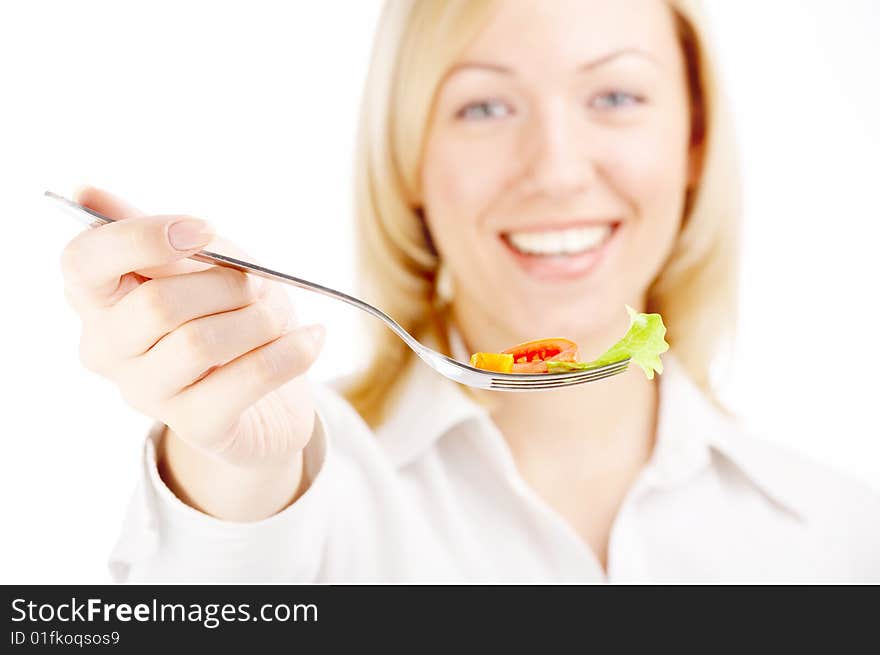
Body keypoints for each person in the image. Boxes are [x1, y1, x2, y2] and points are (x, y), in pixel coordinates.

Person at [60, 0, 879, 582]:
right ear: (409, 156)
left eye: (617, 97)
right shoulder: (317, 483)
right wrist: (229, 471)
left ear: (694, 141)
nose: (557, 169)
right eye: (484, 106)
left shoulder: (839, 537)